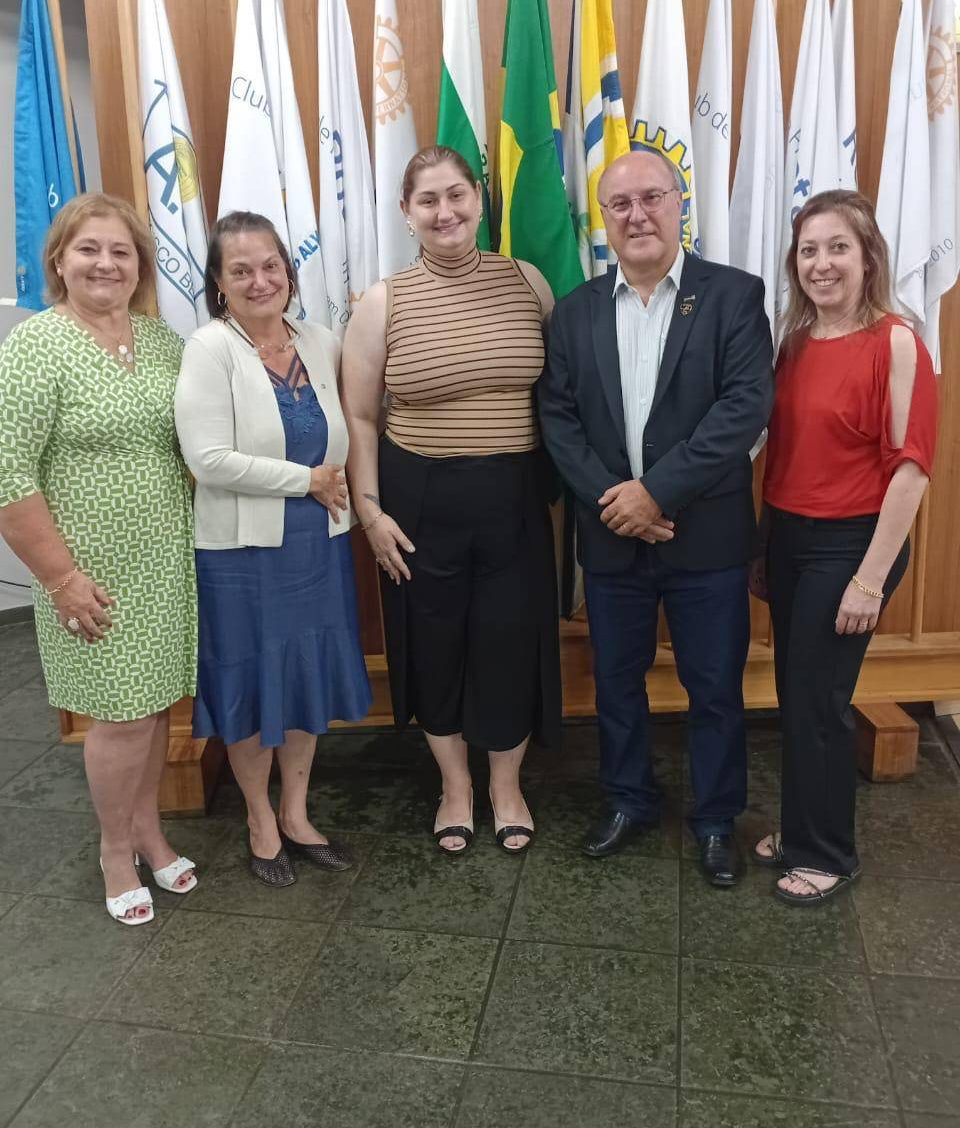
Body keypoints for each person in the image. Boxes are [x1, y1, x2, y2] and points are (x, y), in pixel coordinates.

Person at [538, 149, 774, 886]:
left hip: (705, 537)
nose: (637, 215)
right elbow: (558, 418)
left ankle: (713, 819)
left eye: (651, 198)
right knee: (616, 679)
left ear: (680, 203)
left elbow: (743, 410)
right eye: (619, 205)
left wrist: (655, 493)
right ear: (601, 219)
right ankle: (629, 798)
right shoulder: (575, 311)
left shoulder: (734, 296)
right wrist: (618, 502)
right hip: (611, 537)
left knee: (713, 687)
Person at [341, 145, 561, 854]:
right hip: (419, 499)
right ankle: (455, 787)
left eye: (458, 195)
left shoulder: (527, 282)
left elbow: (559, 394)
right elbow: (361, 418)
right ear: (407, 213)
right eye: (428, 200)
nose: (446, 212)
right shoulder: (383, 302)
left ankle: (505, 785)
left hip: (516, 496)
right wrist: (370, 511)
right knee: (433, 644)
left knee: (510, 641)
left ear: (479, 198)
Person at [0, 193, 198, 925]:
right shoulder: (34, 345)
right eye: (89, 249)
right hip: (88, 574)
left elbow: (195, 442)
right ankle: (116, 851)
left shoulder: (162, 341)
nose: (105, 264)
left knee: (152, 712)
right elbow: (7, 473)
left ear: (139, 265)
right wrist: (59, 577)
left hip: (165, 565)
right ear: (59, 259)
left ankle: (148, 831)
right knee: (118, 716)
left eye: (120, 251)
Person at [751, 190, 937, 905]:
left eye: (837, 248)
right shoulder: (795, 343)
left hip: (855, 546)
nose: (821, 264)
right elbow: (788, 456)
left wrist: (869, 578)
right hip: (793, 538)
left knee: (821, 701)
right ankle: (802, 829)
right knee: (797, 697)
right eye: (808, 250)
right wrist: (768, 546)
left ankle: (828, 852)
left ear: (868, 258)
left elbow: (912, 467)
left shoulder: (896, 341)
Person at [175, 212, 371, 887]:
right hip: (241, 552)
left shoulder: (319, 339)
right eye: (241, 270)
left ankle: (296, 811)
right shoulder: (209, 348)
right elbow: (207, 460)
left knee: (304, 675)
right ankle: (259, 817)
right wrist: (305, 480)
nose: (260, 280)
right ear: (219, 283)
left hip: (318, 542)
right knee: (252, 685)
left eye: (271, 266)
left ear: (290, 271)